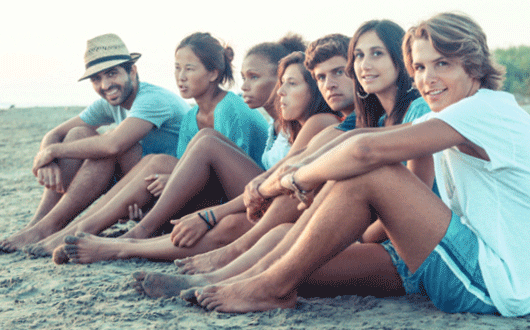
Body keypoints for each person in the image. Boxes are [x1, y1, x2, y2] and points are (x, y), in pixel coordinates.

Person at [163, 12, 530, 316]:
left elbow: (366, 154)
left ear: (473, 64)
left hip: (494, 286)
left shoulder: (484, 111)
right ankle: (245, 277)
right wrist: (284, 187)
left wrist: (289, 181)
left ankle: (272, 286)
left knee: (372, 170)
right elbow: (359, 141)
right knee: (310, 247)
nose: (427, 79)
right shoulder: (456, 114)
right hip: (460, 259)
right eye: (420, 67)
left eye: (443, 64)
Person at [167, 22, 431, 277]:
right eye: (359, 56)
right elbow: (308, 157)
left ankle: (226, 267)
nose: (365, 65)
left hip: (409, 250)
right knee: (280, 234)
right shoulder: (375, 118)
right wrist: (266, 185)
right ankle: (220, 272)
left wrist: (359, 234)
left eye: (376, 54)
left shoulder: (416, 112)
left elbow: (412, 198)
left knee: (279, 248)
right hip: (374, 234)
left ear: (400, 58)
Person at [59, 49, 346, 264]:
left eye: (291, 84)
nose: (280, 92)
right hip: (255, 198)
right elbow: (192, 166)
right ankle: (114, 235)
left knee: (208, 149)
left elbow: (276, 179)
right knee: (176, 161)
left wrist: (210, 214)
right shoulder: (284, 125)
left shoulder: (318, 122)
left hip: (265, 203)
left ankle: (128, 241)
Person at [22, 32, 272, 257]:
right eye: (177, 68)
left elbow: (239, 181)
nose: (180, 77)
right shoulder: (190, 117)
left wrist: (172, 178)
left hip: (243, 200)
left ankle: (119, 232)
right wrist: (173, 179)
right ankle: (73, 229)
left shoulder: (230, 108)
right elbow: (190, 167)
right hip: (202, 196)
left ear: (213, 73)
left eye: (189, 69)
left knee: (162, 160)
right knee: (147, 160)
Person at [0, 34, 190, 253]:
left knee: (110, 146)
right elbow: (56, 133)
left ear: (132, 70)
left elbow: (113, 145)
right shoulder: (112, 101)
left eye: (112, 73)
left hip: (175, 187)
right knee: (78, 133)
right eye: (96, 79)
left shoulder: (152, 99)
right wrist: (46, 158)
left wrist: (53, 151)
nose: (105, 85)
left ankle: (53, 226)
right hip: (144, 184)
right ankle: (39, 224)